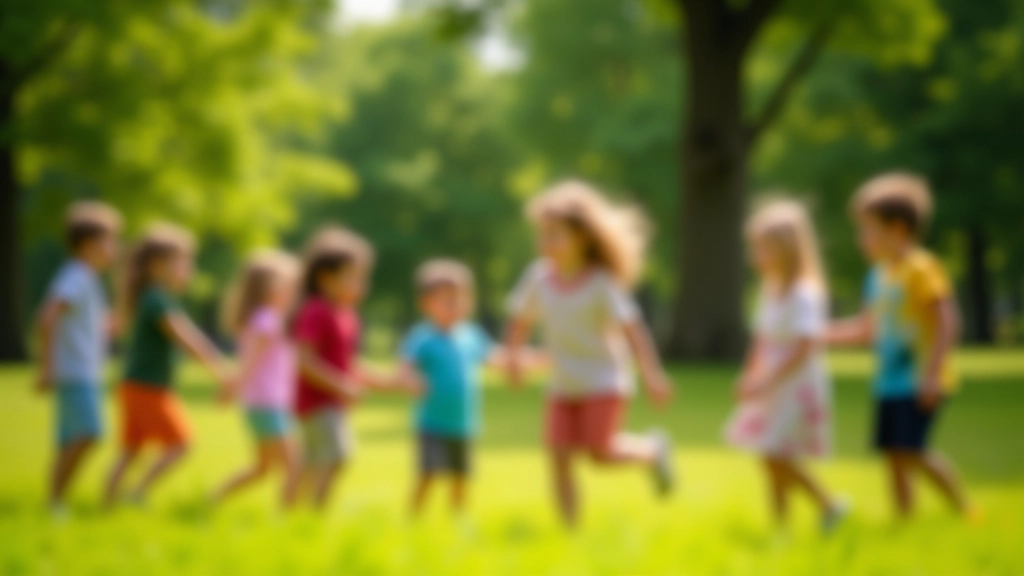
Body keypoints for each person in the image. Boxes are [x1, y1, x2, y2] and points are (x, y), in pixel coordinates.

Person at [504, 179, 675, 529]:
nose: (545, 242)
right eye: (542, 233)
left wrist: (652, 375)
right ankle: (570, 535)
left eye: (555, 234)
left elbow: (633, 330)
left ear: (582, 237)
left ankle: (653, 451)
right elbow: (520, 320)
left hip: (603, 380)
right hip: (562, 383)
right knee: (559, 457)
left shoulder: (600, 282)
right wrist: (513, 358)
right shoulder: (538, 278)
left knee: (600, 454)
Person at [828, 172, 973, 520]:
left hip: (920, 381)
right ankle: (903, 519)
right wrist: (816, 333)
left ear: (897, 229)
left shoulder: (921, 269)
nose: (860, 238)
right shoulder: (876, 277)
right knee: (893, 454)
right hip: (888, 383)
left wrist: (933, 375)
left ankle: (963, 507)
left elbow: (947, 322)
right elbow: (865, 330)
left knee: (913, 451)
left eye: (867, 229)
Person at [725, 199, 848, 533]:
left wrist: (768, 379)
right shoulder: (770, 289)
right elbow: (762, 339)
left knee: (776, 454)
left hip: (796, 384)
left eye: (764, 249)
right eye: (755, 249)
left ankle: (827, 504)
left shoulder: (803, 294)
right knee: (770, 455)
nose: (757, 257)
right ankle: (783, 524)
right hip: (771, 382)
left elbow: (806, 346)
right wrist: (750, 375)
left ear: (788, 249)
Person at [399, 259, 542, 517]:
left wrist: (529, 358)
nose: (455, 306)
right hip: (432, 422)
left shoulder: (471, 335)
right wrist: (410, 380)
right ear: (426, 304)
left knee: (461, 475)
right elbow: (406, 366)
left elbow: (498, 358)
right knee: (428, 473)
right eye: (446, 300)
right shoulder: (422, 336)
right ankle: (413, 518)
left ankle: (459, 519)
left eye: (460, 299)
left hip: (464, 423)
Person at [104, 223, 231, 508]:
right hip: (148, 387)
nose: (190, 269)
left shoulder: (152, 298)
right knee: (180, 444)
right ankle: (137, 494)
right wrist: (221, 372)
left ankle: (108, 503)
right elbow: (187, 339)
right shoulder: (157, 299)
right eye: (184, 262)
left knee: (131, 451)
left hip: (134, 385)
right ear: (158, 266)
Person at [293, 226, 393, 510]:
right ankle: (313, 514)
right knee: (336, 456)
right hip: (317, 402)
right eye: (354, 277)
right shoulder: (317, 310)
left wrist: (387, 381)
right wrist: (342, 386)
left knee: (317, 459)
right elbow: (304, 360)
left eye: (364, 278)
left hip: (332, 402)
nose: (362, 285)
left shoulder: (346, 315)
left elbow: (347, 364)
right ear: (325, 278)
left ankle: (296, 513)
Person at [36, 201, 122, 514]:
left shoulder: (87, 278)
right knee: (90, 433)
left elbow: (94, 327)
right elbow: (47, 316)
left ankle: (56, 502)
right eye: (111, 241)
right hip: (74, 372)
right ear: (89, 245)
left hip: (82, 370)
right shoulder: (77, 275)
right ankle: (56, 501)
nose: (115, 248)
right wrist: (46, 368)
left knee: (70, 438)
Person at [211, 250, 302, 508]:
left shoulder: (263, 318)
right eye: (289, 286)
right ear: (272, 289)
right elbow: (249, 361)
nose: (294, 292)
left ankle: (212, 499)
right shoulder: (268, 319)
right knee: (294, 464)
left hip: (263, 402)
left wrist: (233, 387)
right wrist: (231, 386)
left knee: (263, 468)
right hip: (266, 402)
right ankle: (287, 522)